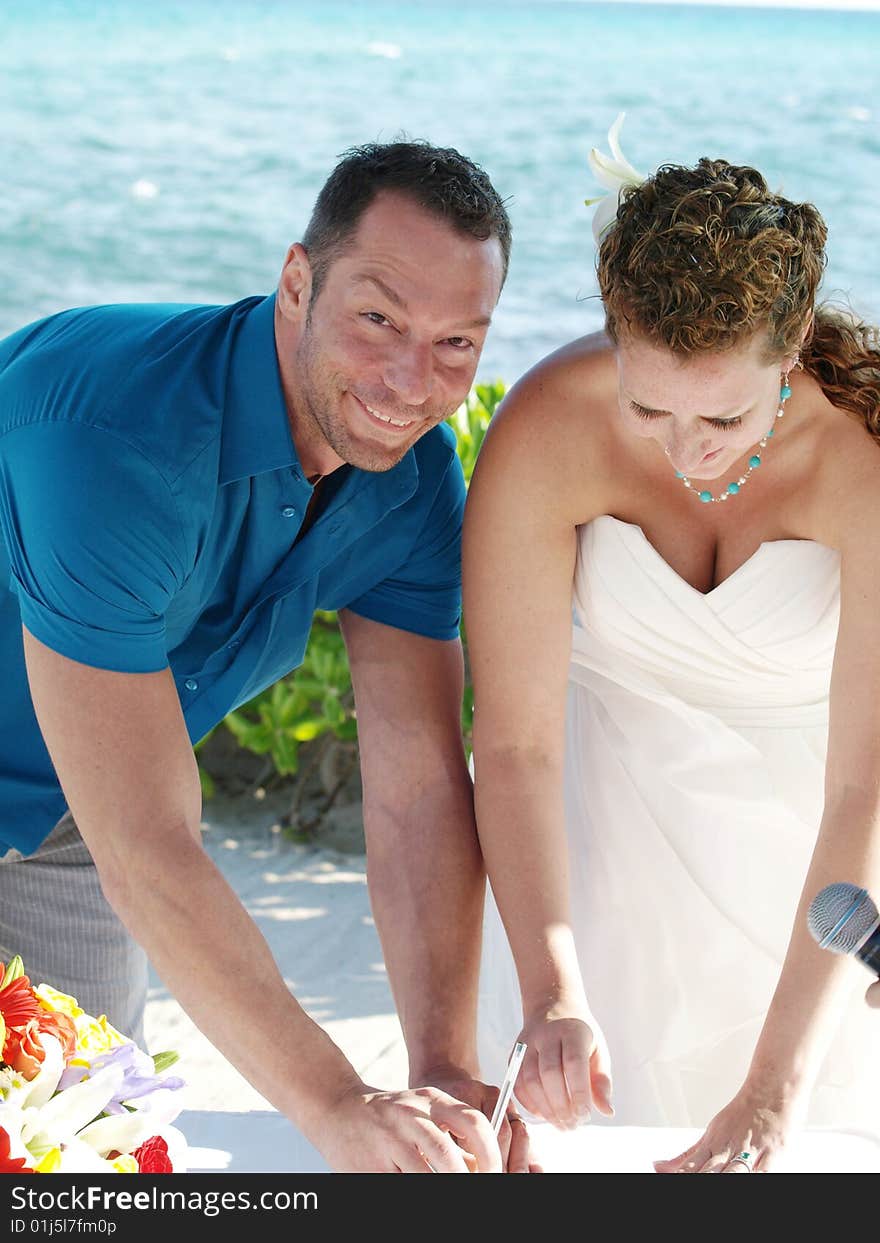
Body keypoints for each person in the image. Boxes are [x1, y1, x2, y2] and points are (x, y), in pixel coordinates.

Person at [0, 139, 535, 1173]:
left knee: (83, 1163)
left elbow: (417, 788)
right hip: (111, 829)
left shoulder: (411, 485)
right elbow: (149, 844)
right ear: (297, 281)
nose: (408, 380)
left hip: (63, 820)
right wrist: (336, 1101)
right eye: (378, 319)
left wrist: (440, 1069)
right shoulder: (114, 438)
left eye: (455, 342)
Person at [464, 126, 880, 1174]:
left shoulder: (861, 459)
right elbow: (513, 746)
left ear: (786, 355)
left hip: (818, 886)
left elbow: (863, 787)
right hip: (590, 862)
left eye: (724, 415)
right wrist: (552, 986)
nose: (687, 452)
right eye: (648, 405)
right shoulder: (550, 425)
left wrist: (772, 1089)